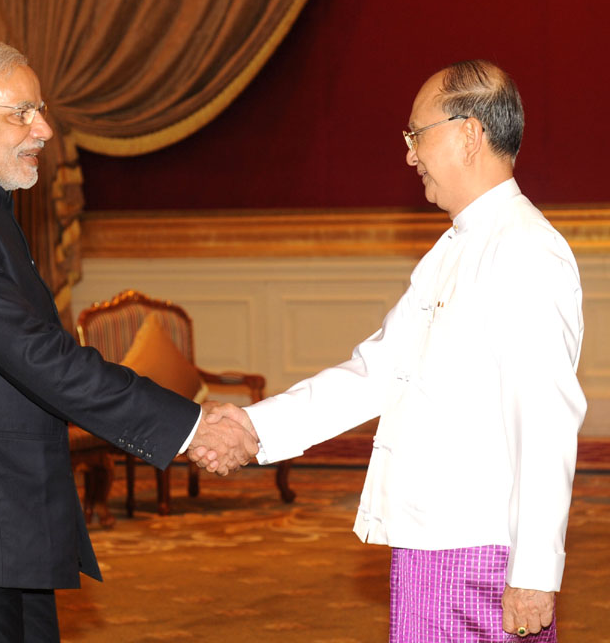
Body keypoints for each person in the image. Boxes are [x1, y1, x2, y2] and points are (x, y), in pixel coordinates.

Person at [0, 39, 257, 643]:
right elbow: (35, 354)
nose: (45, 129)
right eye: (22, 113)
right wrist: (189, 426)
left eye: (41, 110)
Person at [194, 60, 586, 642]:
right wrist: (256, 427)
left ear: (469, 133)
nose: (410, 155)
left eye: (416, 134)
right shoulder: (453, 248)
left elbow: (547, 423)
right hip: (428, 541)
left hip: (479, 552)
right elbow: (376, 372)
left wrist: (534, 573)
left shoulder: (526, 251)